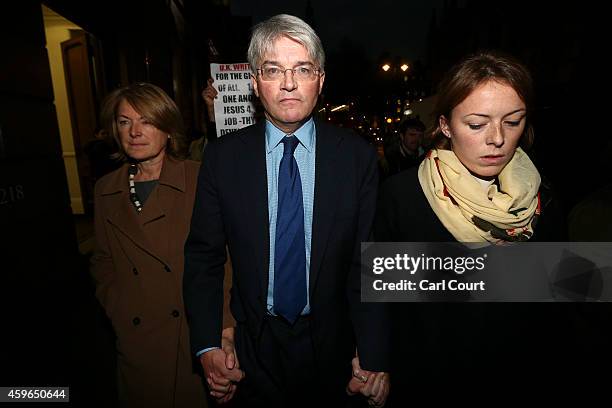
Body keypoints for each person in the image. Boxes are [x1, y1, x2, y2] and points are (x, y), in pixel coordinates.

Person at [184, 14, 390, 407]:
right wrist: (208, 344)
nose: (289, 83)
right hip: (250, 350)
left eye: (302, 69)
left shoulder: (356, 158)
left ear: (321, 80)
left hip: (334, 347)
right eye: (273, 69)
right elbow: (204, 257)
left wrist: (373, 351)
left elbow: (369, 262)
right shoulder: (223, 160)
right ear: (255, 82)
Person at [374, 52, 565, 399]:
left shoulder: (544, 197)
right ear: (445, 125)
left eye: (513, 121)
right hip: (434, 381)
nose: (497, 139)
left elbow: (559, 304)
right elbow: (383, 299)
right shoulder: (400, 197)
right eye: (476, 124)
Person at [90, 82, 208, 408]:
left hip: (190, 336)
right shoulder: (106, 189)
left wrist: (221, 329)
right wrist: (118, 307)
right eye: (125, 122)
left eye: (147, 121)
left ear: (168, 128)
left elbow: (223, 259)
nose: (135, 132)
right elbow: (102, 259)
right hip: (137, 337)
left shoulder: (198, 179)